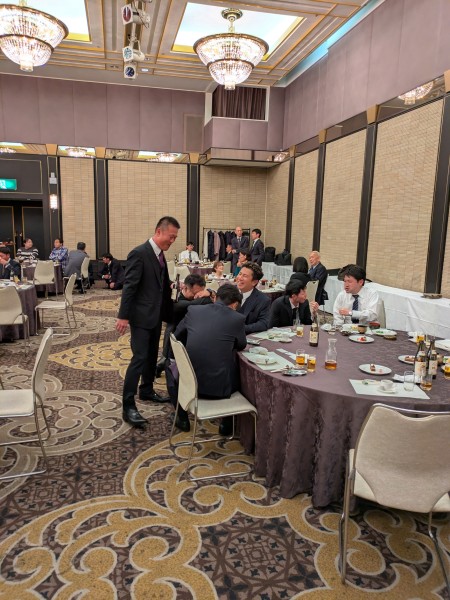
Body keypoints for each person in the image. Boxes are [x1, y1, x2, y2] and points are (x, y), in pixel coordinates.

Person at [116, 216, 180, 427]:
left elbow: (160, 284)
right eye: (171, 236)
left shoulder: (160, 254)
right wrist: (123, 316)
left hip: (155, 315)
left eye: (175, 238)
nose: (172, 241)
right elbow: (130, 286)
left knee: (152, 355)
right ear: (159, 231)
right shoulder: (139, 253)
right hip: (141, 317)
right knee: (140, 358)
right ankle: (128, 406)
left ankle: (147, 390)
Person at [174, 283, 246, 432]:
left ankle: (182, 417)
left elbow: (177, 336)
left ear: (215, 298)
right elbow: (241, 345)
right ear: (235, 304)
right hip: (220, 388)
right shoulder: (237, 318)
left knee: (174, 369)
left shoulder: (194, 310)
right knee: (235, 364)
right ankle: (226, 424)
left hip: (188, 385)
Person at [156, 273, 214, 377]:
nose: (198, 296)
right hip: (175, 334)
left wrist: (209, 292)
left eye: (201, 292)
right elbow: (195, 304)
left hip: (192, 333)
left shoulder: (196, 296)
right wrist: (209, 294)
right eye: (195, 293)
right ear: (185, 288)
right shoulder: (176, 299)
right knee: (169, 360)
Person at [235, 262, 270, 333]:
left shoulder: (263, 300)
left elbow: (263, 324)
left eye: (245, 276)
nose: (240, 278)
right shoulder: (228, 292)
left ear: (254, 282)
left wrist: (240, 329)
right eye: (240, 274)